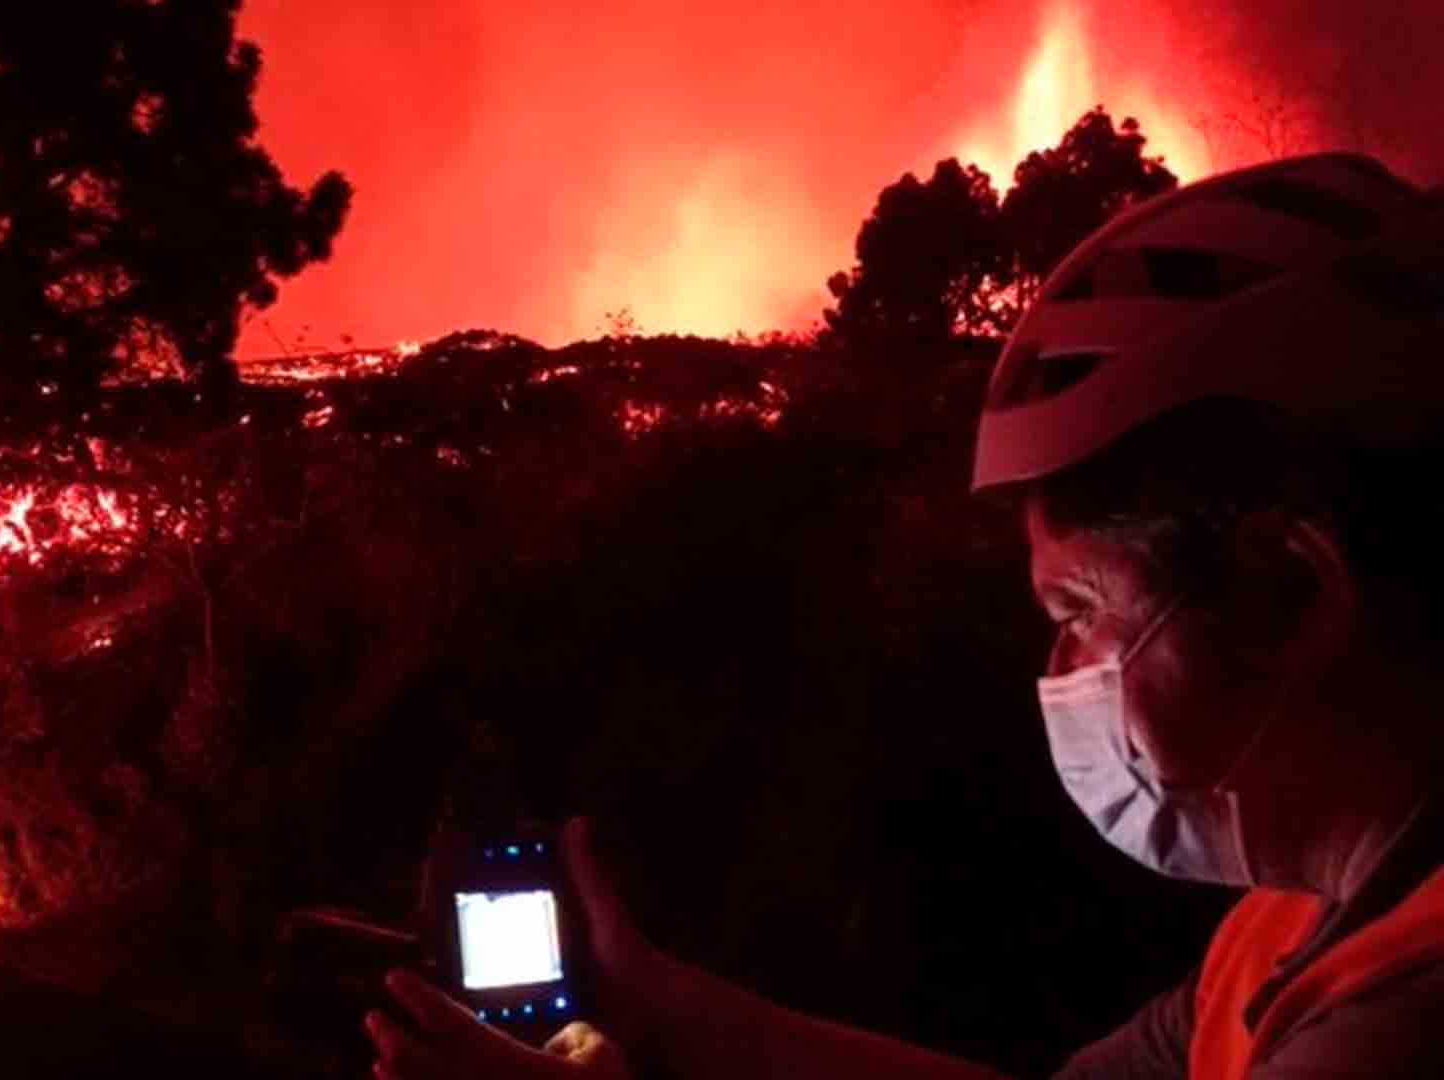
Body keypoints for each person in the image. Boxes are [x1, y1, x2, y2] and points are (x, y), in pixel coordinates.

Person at [363, 152, 1444, 1078]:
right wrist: (651, 1000)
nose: (1065, 665)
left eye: (1086, 609)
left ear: (1295, 594)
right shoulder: (1299, 925)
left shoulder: (1396, 1028)